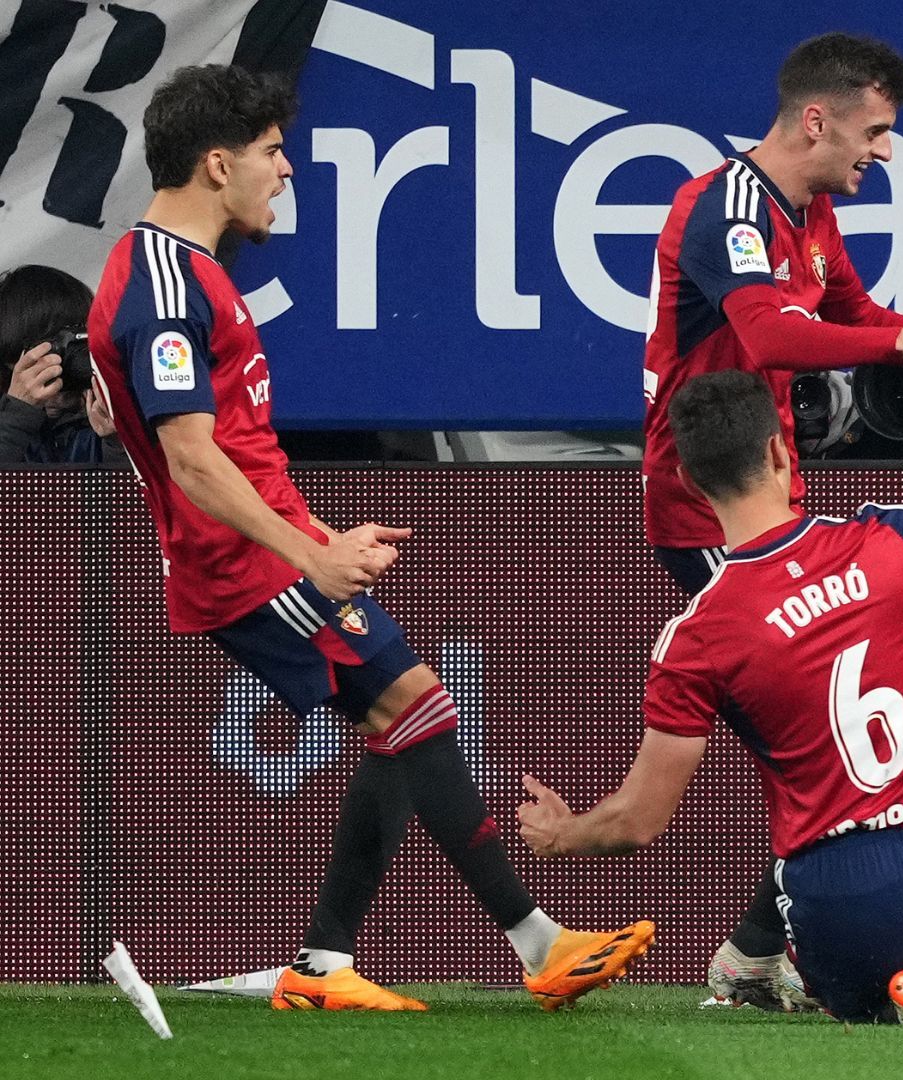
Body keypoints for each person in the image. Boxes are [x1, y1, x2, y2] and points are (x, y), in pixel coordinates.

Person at [87, 63, 650, 1012]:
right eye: (273, 153)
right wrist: (308, 553)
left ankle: (325, 966)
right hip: (248, 561)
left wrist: (313, 533)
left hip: (269, 547)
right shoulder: (166, 283)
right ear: (217, 165)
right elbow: (190, 458)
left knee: (404, 720)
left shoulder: (175, 275)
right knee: (417, 709)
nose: (287, 170)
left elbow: (180, 428)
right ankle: (533, 945)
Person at [519, 370, 903, 1031]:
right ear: (783, 452)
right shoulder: (886, 536)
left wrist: (568, 834)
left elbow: (639, 821)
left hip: (837, 884)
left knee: (865, 1016)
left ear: (692, 485)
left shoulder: (694, 638)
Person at [640, 32, 903, 1008]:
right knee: (825, 723)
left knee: (849, 715)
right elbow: (769, 332)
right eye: (876, 131)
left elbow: (845, 305)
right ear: (818, 117)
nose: (883, 153)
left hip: (775, 496)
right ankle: (767, 949)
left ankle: (760, 950)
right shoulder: (724, 207)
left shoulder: (804, 210)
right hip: (709, 505)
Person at [0, 264, 123, 464]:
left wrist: (119, 443)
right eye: (49, 349)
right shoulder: (8, 421)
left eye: (73, 344)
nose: (58, 364)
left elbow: (142, 491)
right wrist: (17, 415)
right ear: (11, 362)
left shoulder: (107, 405)